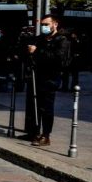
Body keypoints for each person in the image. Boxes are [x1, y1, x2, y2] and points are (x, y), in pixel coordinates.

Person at [26, 14, 70, 147]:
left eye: (46, 24)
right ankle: (34, 132)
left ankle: (46, 135)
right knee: (35, 106)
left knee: (46, 108)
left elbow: (59, 59)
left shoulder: (62, 40)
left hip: (50, 78)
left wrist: (37, 52)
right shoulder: (41, 39)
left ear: (55, 24)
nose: (44, 27)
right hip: (37, 77)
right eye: (42, 25)